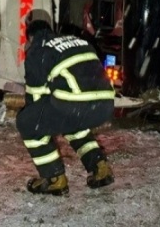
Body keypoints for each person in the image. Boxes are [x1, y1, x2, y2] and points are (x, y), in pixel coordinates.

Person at [16, 10, 116, 195]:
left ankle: (54, 179)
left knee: (28, 122)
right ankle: (100, 167)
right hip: (105, 104)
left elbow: (36, 98)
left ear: (29, 36)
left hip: (76, 103)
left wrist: (35, 120)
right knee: (72, 122)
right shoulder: (75, 40)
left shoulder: (38, 49)